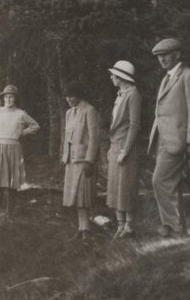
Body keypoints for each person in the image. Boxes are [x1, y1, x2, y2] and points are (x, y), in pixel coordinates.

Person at [148, 38, 190, 237]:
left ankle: (172, 227)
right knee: (170, 183)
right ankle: (176, 227)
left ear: (177, 54)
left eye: (165, 54)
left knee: (159, 180)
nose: (162, 59)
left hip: (178, 141)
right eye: (159, 56)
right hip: (163, 140)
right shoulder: (166, 78)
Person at [0, 85, 40, 219]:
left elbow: (35, 126)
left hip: (13, 148)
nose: (8, 99)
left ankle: (9, 213)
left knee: (12, 182)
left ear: (15, 99)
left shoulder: (21, 113)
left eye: (11, 96)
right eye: (6, 96)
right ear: (3, 98)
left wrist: (20, 133)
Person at [105, 61, 142, 239]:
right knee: (114, 186)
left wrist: (125, 151)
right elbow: (115, 125)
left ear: (121, 77)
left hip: (126, 146)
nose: (111, 77)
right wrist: (113, 149)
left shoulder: (133, 94)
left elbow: (134, 126)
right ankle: (120, 226)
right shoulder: (120, 95)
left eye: (114, 75)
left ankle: (129, 226)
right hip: (115, 144)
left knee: (126, 186)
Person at [60, 81, 101, 239]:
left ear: (79, 95)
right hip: (71, 160)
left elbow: (94, 138)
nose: (69, 99)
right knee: (75, 196)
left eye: (72, 95)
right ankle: (81, 227)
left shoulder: (89, 110)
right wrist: (64, 157)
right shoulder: (69, 113)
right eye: (67, 96)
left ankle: (87, 230)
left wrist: (90, 161)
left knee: (84, 195)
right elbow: (66, 138)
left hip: (83, 160)